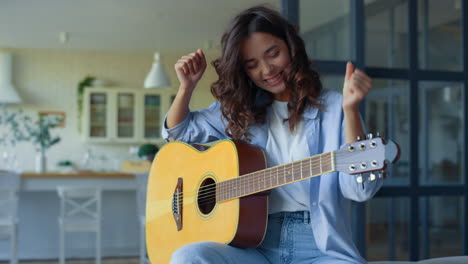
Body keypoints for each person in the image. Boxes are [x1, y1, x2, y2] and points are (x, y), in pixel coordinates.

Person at [162, 5, 381, 264]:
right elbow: (178, 134)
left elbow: (361, 191)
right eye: (252, 65)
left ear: (291, 47)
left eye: (273, 54)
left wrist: (351, 109)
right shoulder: (238, 111)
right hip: (253, 246)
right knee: (188, 256)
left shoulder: (335, 106)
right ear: (244, 71)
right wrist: (186, 87)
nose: (267, 70)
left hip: (319, 247)